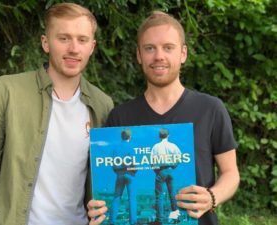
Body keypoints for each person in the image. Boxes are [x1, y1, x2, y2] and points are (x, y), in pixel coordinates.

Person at [87, 11, 240, 225]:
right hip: (162, 176)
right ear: (139, 55)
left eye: (168, 47)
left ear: (183, 53)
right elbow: (105, 170)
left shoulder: (210, 108)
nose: (159, 56)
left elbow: (231, 173)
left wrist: (212, 197)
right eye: (150, 48)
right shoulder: (120, 116)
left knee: (160, 196)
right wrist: (98, 209)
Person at [0, 3, 113, 225]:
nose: (74, 49)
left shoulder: (102, 105)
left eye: (82, 40)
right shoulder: (5, 91)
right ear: (45, 43)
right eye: (63, 38)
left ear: (92, 46)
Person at [151, 128, 181, 224]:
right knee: (172, 195)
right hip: (170, 170)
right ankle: (176, 219)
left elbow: (152, 161)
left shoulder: (155, 147)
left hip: (161, 170)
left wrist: (157, 171)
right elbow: (179, 158)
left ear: (159, 136)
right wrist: (173, 167)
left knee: (159, 196)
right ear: (168, 135)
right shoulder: (173, 146)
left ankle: (159, 220)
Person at [110, 128, 137, 225]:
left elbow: (113, 163)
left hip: (119, 174)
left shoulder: (116, 148)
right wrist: (134, 171)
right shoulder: (131, 147)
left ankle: (112, 221)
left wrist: (117, 172)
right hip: (130, 174)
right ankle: (133, 222)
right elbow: (134, 163)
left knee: (117, 197)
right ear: (130, 137)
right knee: (132, 198)